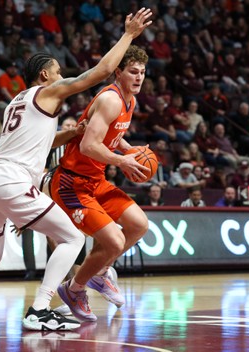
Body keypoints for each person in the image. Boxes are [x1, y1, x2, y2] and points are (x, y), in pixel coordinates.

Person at [0, 8, 153, 331]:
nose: (63, 77)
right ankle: (40, 308)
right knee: (72, 238)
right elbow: (101, 71)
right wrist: (129, 34)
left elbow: (41, 143)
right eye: (58, 71)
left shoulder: (18, 102)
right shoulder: (47, 91)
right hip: (13, 180)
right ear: (45, 76)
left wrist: (71, 134)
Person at [49, 44, 152, 322]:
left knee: (139, 225)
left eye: (142, 72)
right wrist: (123, 161)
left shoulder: (130, 100)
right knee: (115, 241)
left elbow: (112, 135)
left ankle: (99, 272)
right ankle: (74, 289)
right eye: (133, 72)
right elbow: (87, 146)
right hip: (72, 183)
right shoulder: (111, 99)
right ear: (118, 72)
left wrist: (130, 150)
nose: (139, 77)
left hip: (96, 179)